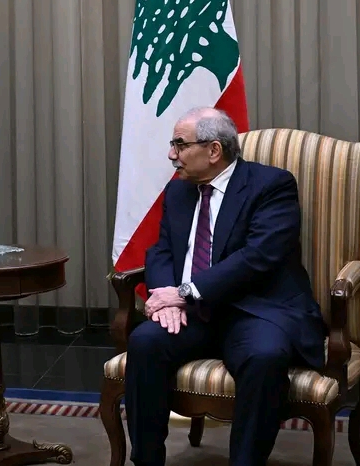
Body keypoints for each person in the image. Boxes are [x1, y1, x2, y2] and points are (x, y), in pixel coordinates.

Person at [124, 107, 326, 466]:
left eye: (180, 144)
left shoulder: (271, 185)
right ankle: (147, 460)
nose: (171, 154)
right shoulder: (179, 191)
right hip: (192, 313)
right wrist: (166, 297)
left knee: (265, 357)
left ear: (214, 150)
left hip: (255, 309)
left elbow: (258, 257)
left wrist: (185, 292)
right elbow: (162, 250)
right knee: (144, 342)